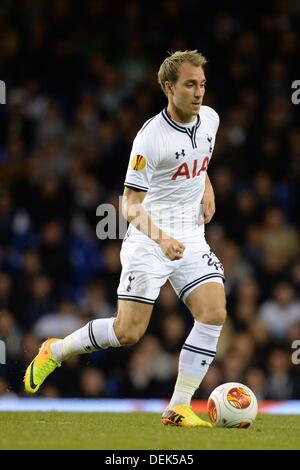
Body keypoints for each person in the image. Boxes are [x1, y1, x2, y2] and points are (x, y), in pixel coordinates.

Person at [24, 50, 227, 428]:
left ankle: (178, 407)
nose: (199, 92)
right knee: (128, 332)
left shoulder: (211, 119)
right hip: (150, 240)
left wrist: (207, 186)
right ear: (169, 87)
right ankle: (56, 349)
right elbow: (130, 206)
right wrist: (163, 240)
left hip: (192, 236)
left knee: (214, 312)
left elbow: (201, 158)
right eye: (190, 84)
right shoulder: (150, 138)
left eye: (202, 84)